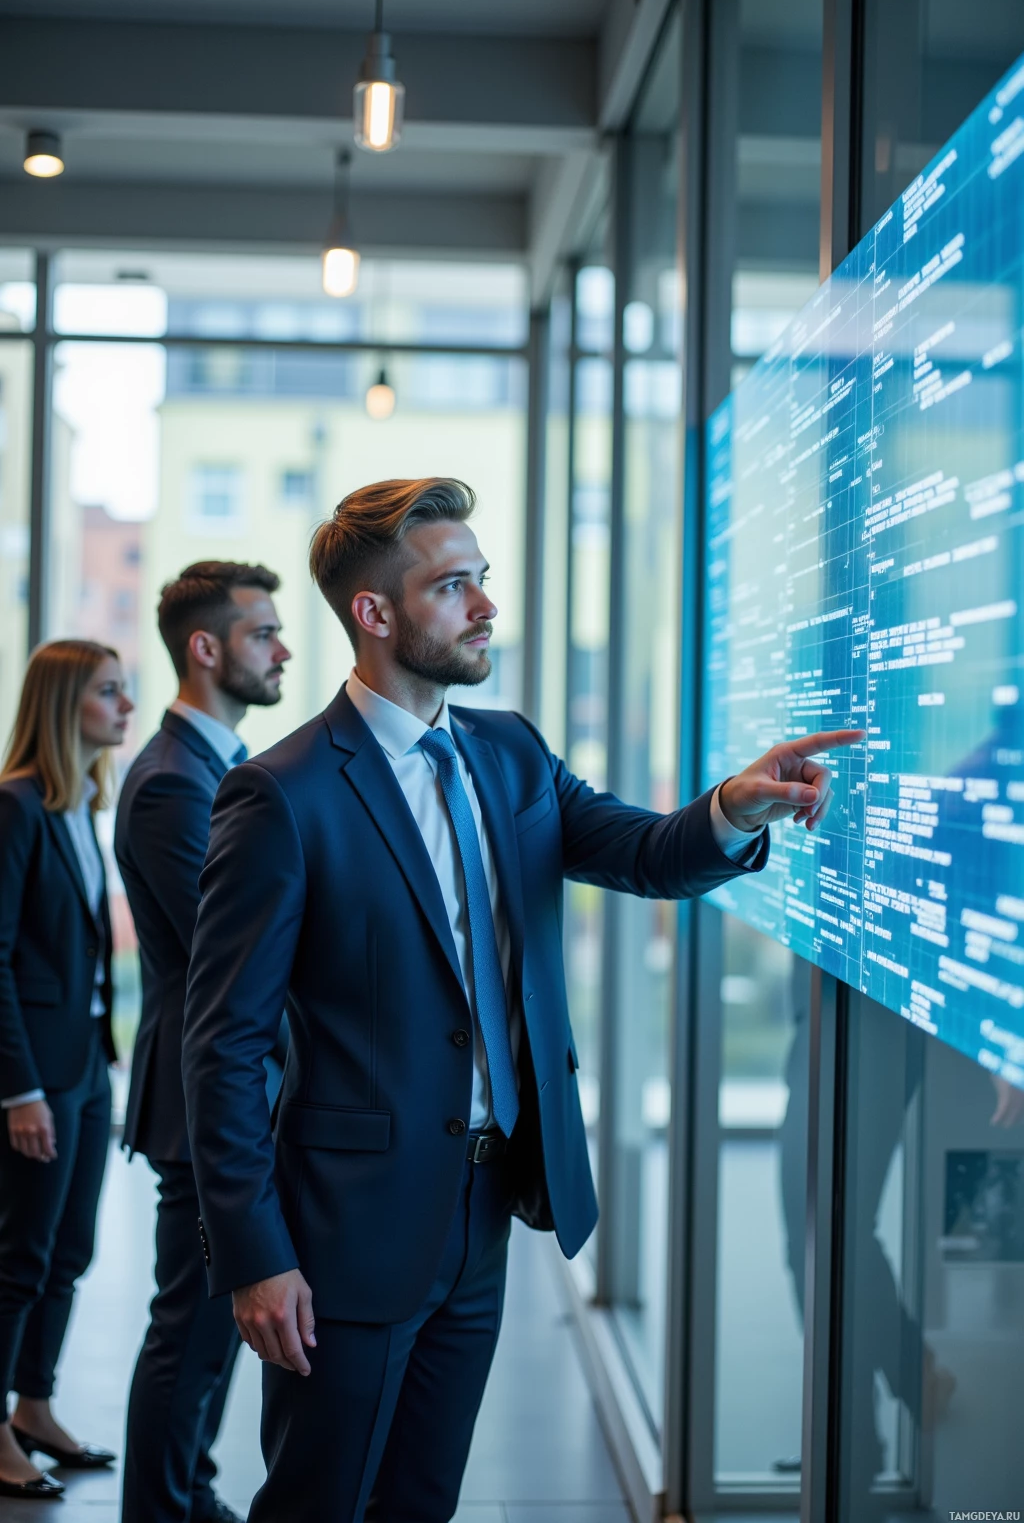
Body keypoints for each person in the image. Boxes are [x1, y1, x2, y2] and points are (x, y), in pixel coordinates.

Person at [181, 477, 863, 1522]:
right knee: (318, 1502)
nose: (485, 607)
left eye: (481, 580)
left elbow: (642, 852)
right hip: (344, 1231)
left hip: (486, 1208)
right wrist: (255, 1255)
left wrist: (732, 804)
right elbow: (221, 1046)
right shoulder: (282, 793)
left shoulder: (508, 753)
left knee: (422, 1499)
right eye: (454, 587)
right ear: (375, 613)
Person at [116, 562, 291, 1523]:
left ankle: (189, 1493)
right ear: (207, 648)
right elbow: (237, 958)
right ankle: (160, 1509)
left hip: (220, 1089)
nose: (284, 650)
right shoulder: (171, 787)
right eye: (265, 633)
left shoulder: (213, 769)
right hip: (200, 1101)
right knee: (188, 1328)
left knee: (211, 1332)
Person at [0, 639, 133, 1501]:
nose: (125, 708)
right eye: (109, 694)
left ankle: (35, 1405)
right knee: (19, 1255)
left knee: (70, 1250)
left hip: (87, 1064)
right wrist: (18, 1089)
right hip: (37, 1079)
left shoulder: (81, 806)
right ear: (63, 706)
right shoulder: (14, 808)